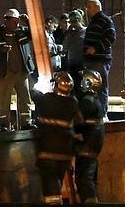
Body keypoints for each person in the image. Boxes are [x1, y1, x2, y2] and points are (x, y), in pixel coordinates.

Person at [33, 71, 80, 205]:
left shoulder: (46, 99)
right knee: (56, 181)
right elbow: (79, 120)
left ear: (56, 85)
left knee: (50, 183)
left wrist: (38, 86)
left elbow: (35, 95)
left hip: (47, 150)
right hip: (65, 152)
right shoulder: (73, 102)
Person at [0, 8, 36, 132]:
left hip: (21, 72)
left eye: (17, 21)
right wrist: (1, 50)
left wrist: (28, 22)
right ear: (6, 21)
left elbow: (35, 35)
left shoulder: (22, 32)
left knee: (25, 97)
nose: (16, 24)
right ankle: (3, 124)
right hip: (5, 73)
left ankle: (26, 122)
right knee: (4, 99)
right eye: (14, 22)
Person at [73, 68, 105, 204]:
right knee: (89, 179)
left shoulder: (87, 102)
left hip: (86, 146)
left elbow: (76, 122)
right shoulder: (95, 100)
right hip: (92, 146)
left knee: (84, 179)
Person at [83, 0, 116, 116]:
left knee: (100, 87)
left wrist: (95, 48)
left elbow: (111, 37)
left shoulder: (105, 20)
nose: (87, 10)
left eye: (89, 7)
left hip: (100, 60)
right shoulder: (94, 21)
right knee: (91, 87)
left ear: (96, 7)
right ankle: (94, 113)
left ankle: (102, 114)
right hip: (91, 60)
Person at [62, 10, 87, 96]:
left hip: (82, 63)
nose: (73, 24)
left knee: (82, 87)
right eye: (71, 22)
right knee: (72, 87)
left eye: (74, 21)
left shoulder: (86, 31)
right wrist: (68, 34)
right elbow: (64, 48)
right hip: (71, 63)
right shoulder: (70, 33)